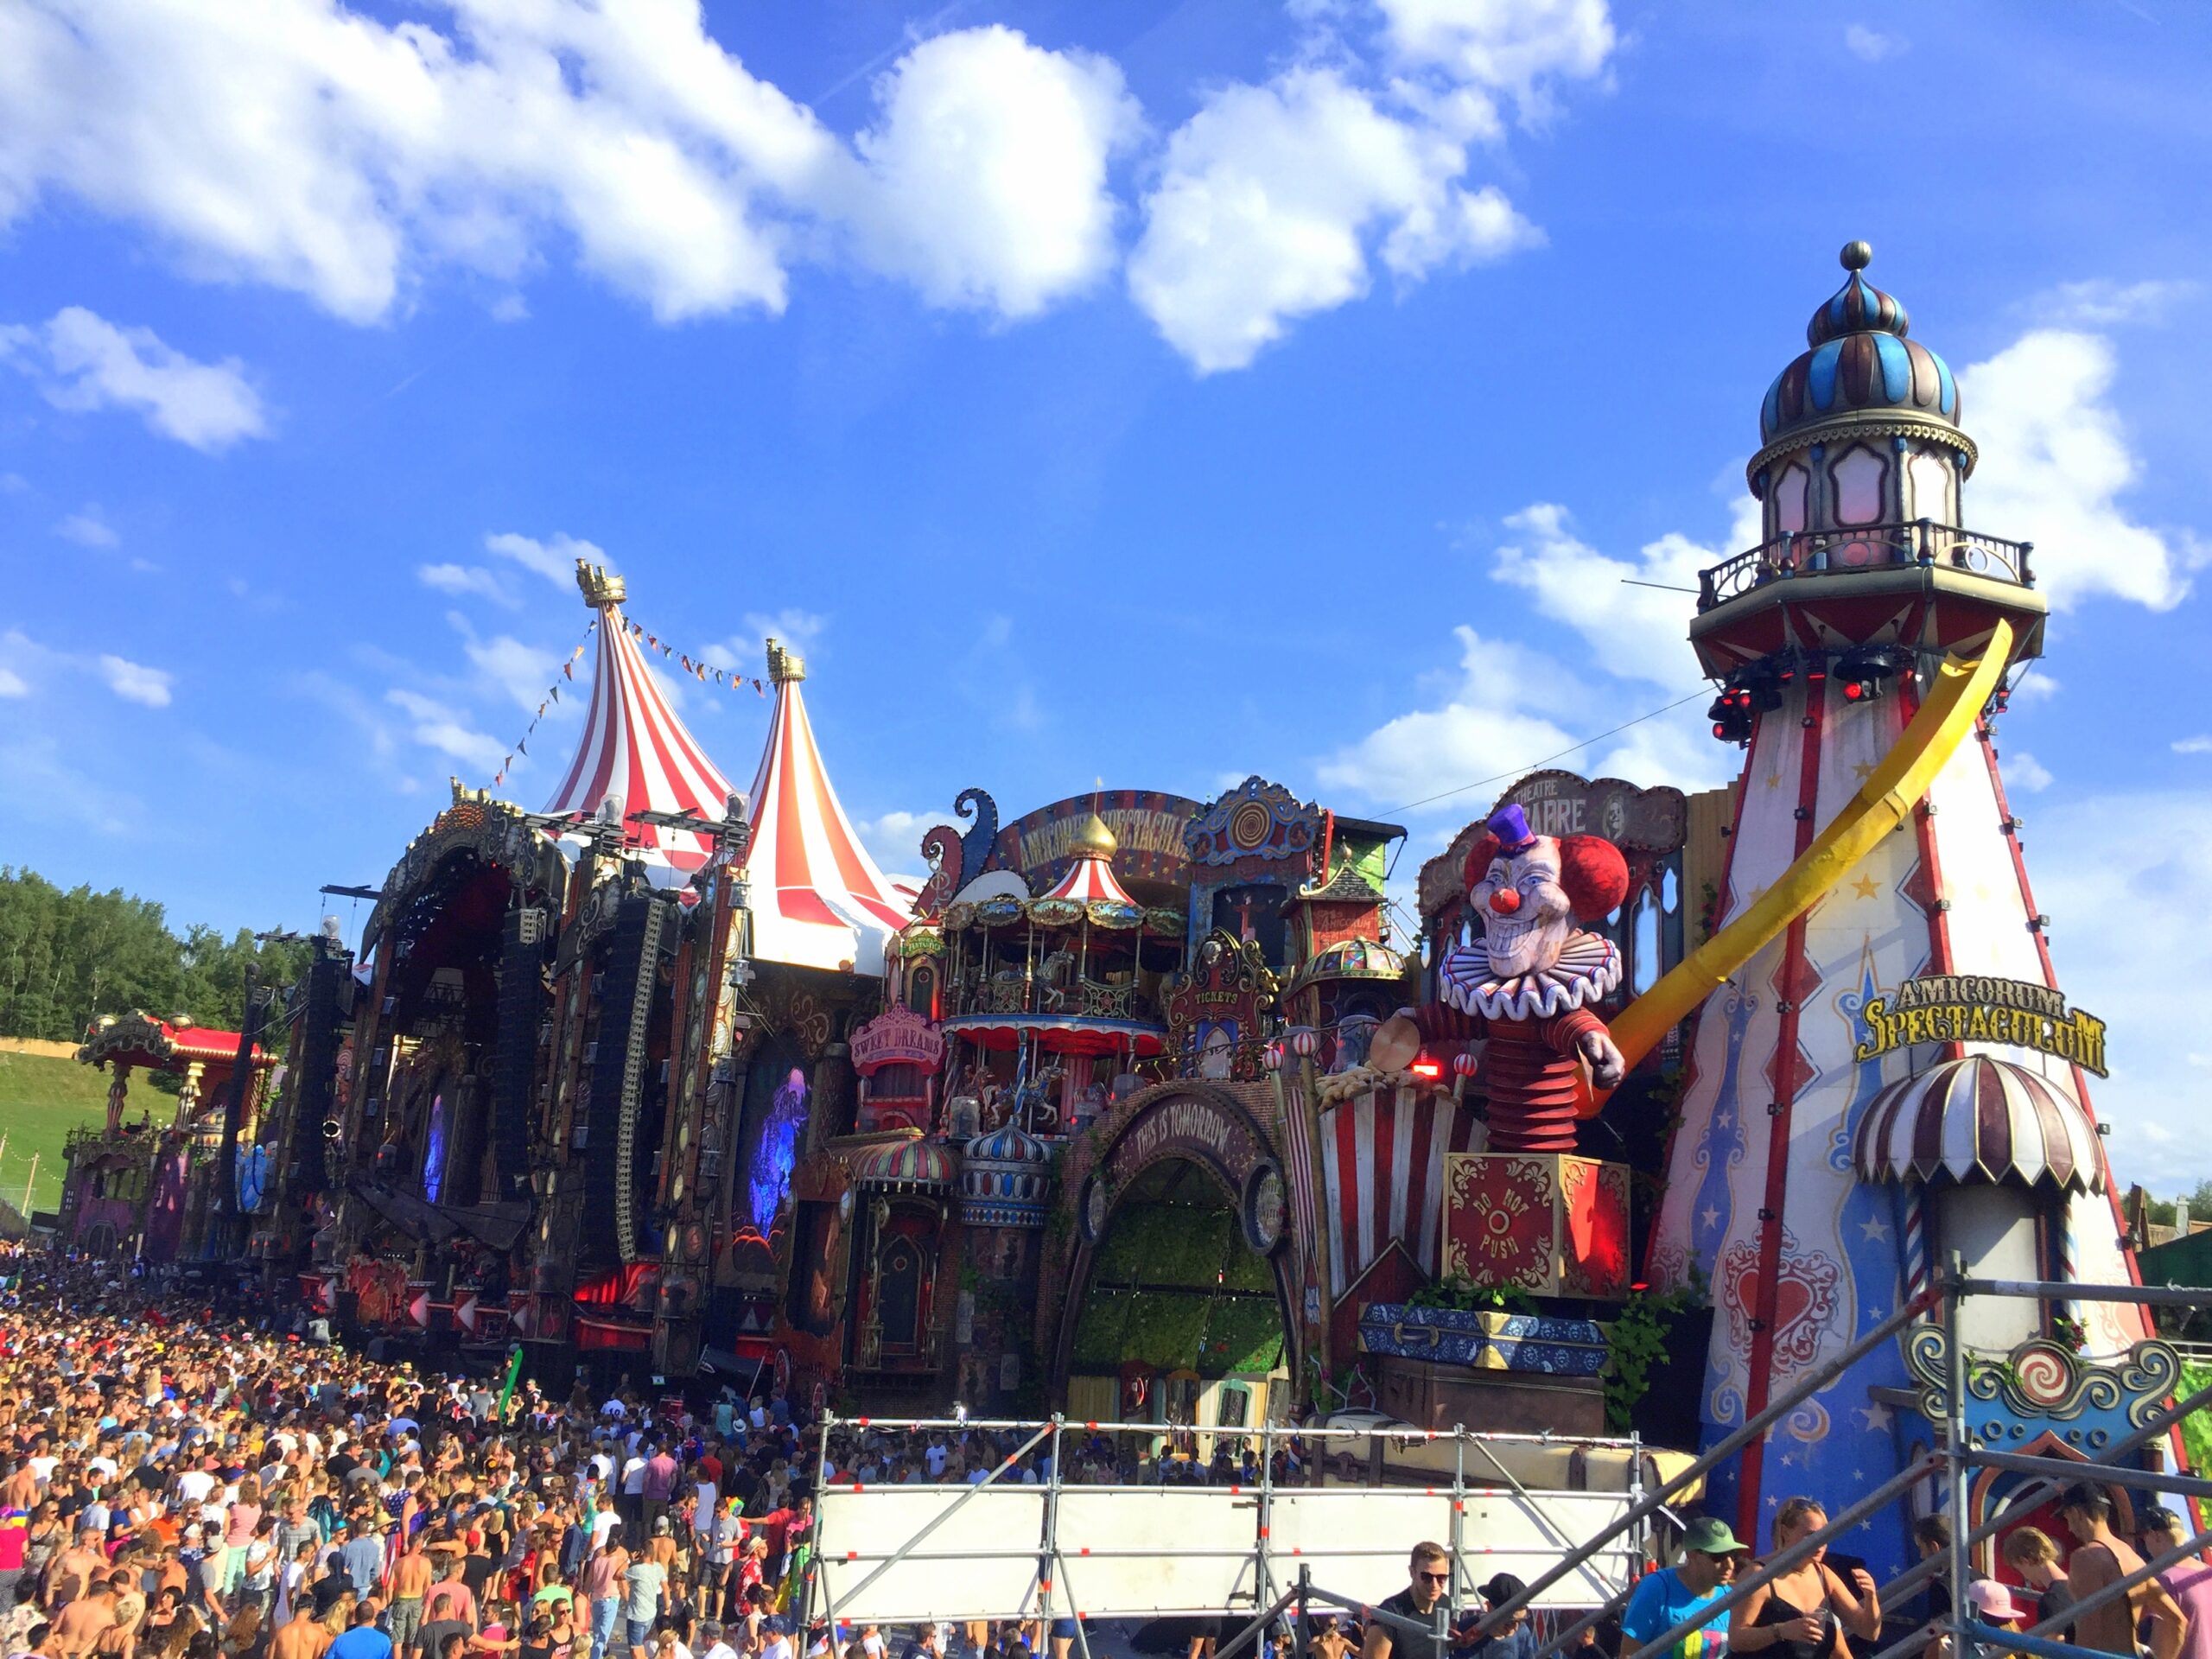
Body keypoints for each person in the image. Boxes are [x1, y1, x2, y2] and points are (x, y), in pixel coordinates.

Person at [1731, 1498, 1880, 1659]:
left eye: (1825, 1535)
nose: (1820, 1543)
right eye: (1810, 1535)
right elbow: (1736, 1639)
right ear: (1785, 1532)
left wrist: (1870, 1597)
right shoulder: (1759, 1575)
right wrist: (1780, 1631)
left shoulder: (1824, 1575)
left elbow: (1869, 1632)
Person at [2057, 1484, 2183, 1659]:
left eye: (2067, 1518)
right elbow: (2177, 1621)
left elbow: (2089, 1630)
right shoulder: (2133, 1558)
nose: (2069, 1528)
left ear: (2076, 1513)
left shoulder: (2086, 1557)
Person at [1620, 1517, 1745, 1659]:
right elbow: (1628, 1654)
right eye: (1718, 1556)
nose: (1729, 1565)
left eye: (1733, 1555)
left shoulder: (1729, 1598)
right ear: (1692, 1554)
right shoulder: (1657, 1587)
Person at [1361, 1543, 1454, 1659]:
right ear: (1412, 1572)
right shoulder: (1388, 1615)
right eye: (1426, 1577)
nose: (1434, 1585)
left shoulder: (1445, 1604)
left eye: (1441, 1578)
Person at [2141, 1509, 2212, 1659]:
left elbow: (2162, 1646)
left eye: (2143, 1537)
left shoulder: (2166, 1580)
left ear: (2155, 1535)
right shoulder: (2208, 1573)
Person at [2000, 1528, 2075, 1643]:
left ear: (2025, 1561)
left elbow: (2053, 1649)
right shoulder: (2079, 1587)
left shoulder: (2051, 1600)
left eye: (2019, 1569)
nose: (2024, 1576)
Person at [1452, 1576, 1533, 1659]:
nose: (1516, 1628)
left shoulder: (1522, 1633)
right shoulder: (1463, 1630)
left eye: (1521, 1620)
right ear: (1489, 1607)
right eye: (1510, 1622)